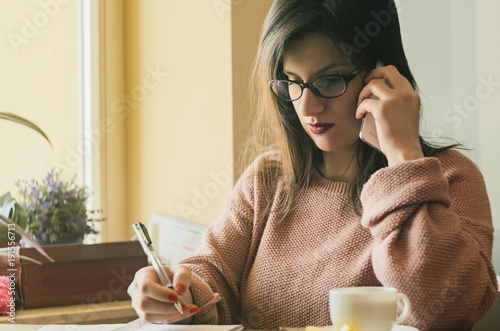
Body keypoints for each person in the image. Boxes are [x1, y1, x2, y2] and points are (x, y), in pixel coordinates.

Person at [127, 0, 498, 330]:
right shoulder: (268, 178)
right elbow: (213, 274)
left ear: (384, 75)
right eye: (292, 82)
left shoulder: (449, 178)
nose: (306, 108)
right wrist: (173, 290)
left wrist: (402, 157)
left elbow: (443, 310)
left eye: (329, 80)